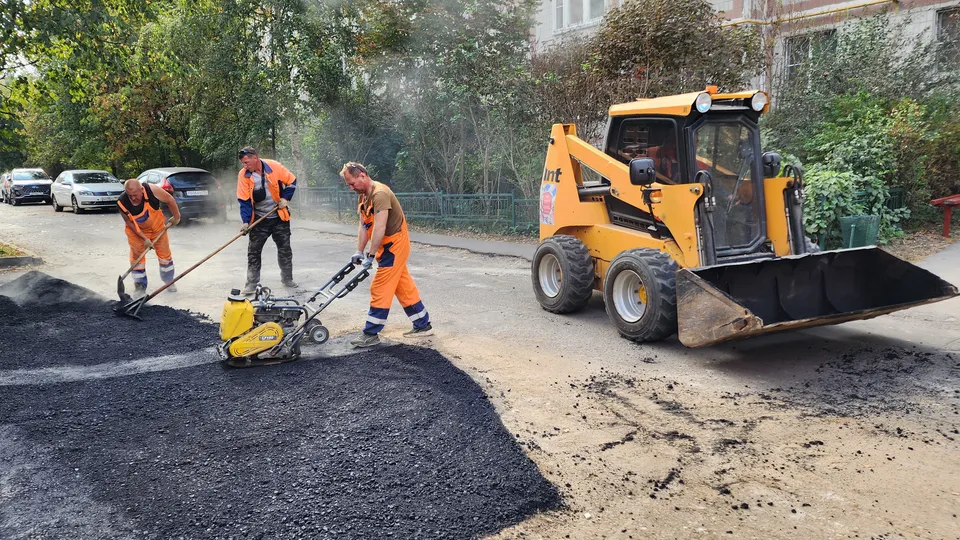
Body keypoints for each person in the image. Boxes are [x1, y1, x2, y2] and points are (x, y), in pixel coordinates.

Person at [340, 162, 432, 348]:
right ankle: (422, 324)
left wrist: (370, 255)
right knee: (402, 284)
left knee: (380, 286)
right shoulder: (363, 196)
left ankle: (371, 333)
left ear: (362, 175)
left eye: (352, 183)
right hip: (386, 246)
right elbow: (364, 226)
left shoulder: (380, 194)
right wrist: (359, 250)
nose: (351, 188)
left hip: (395, 245)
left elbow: (380, 227)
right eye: (348, 185)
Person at [236, 146, 298, 293]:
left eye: (246, 162)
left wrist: (285, 198)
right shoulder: (243, 175)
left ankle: (287, 279)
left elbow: (292, 181)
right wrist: (246, 222)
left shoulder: (274, 167)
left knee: (285, 250)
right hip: (259, 219)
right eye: (243, 163)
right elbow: (244, 200)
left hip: (279, 216)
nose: (245, 166)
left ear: (255, 158)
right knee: (253, 252)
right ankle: (251, 283)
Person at [117, 178, 181, 297]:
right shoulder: (122, 202)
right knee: (137, 258)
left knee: (165, 256)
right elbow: (129, 222)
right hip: (137, 232)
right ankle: (140, 286)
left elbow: (169, 199)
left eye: (135, 195)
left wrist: (176, 217)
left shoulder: (152, 190)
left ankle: (169, 281)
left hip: (157, 228)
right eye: (130, 195)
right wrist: (144, 238)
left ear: (141, 190)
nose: (133, 198)